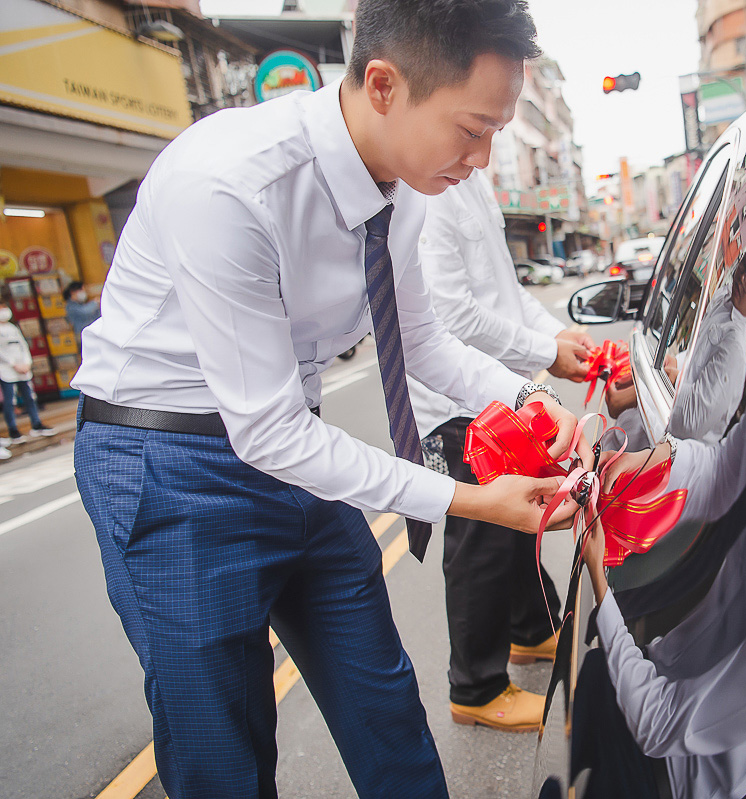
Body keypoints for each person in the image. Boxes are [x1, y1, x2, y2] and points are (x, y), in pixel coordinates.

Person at [70, 2, 582, 797]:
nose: (481, 159)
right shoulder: (231, 184)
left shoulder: (411, 183)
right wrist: (474, 500)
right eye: (472, 129)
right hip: (169, 463)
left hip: (291, 445)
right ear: (384, 84)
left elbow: (422, 341)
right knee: (224, 752)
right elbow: (267, 429)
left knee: (384, 702)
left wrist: (534, 404)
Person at [580, 295, 746, 799]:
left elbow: (661, 728)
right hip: (649, 664)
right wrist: (656, 463)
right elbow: (722, 473)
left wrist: (601, 586)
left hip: (665, 777)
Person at [408, 168, 594, 731]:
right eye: (479, 125)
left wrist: (557, 338)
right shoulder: (426, 192)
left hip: (503, 392)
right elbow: (453, 315)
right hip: (459, 406)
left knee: (517, 528)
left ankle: (530, 632)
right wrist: (544, 350)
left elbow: (507, 295)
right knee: (480, 546)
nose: (486, 147)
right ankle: (476, 686)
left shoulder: (471, 178)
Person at [667, 239, 746, 444]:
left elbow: (692, 422)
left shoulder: (735, 350)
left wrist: (674, 378)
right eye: (743, 267)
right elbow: (697, 355)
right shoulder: (724, 296)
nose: (742, 279)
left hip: (674, 448)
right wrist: (677, 362)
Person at [0, 304, 55, 447]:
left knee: (30, 397)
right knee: (10, 401)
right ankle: (13, 429)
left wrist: (27, 363)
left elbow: (24, 346)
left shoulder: (13, 328)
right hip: (7, 370)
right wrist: (14, 365)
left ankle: (36, 424)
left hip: (23, 369)